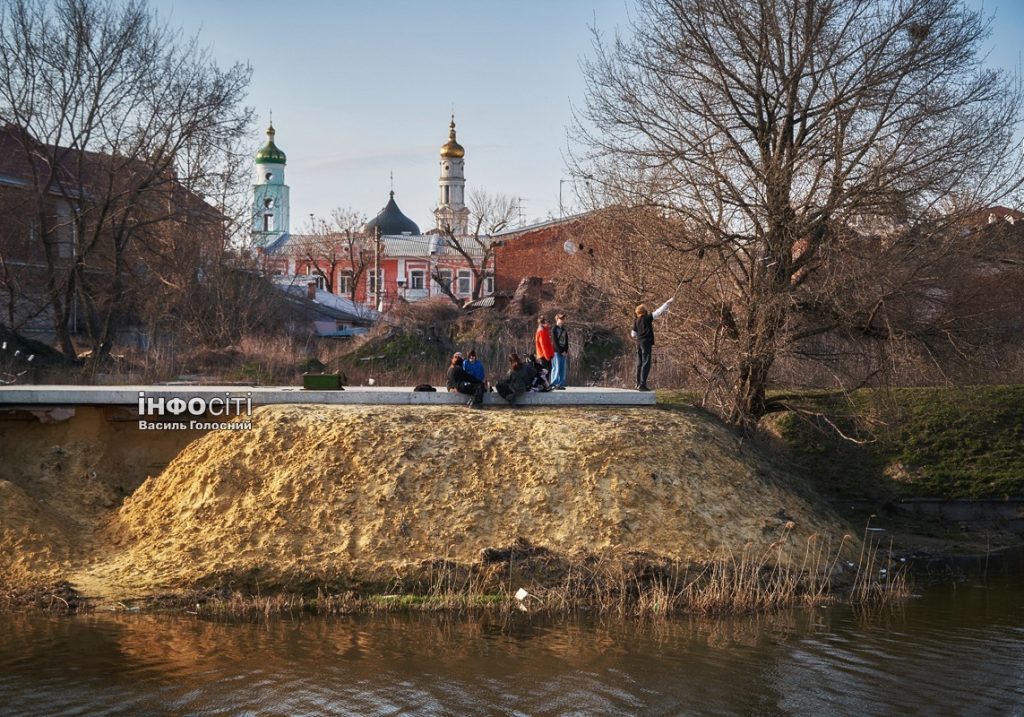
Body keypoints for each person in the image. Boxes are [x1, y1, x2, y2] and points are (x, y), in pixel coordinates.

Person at [631, 298, 673, 391]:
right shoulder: (647, 318)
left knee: (639, 363)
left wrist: (640, 333)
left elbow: (633, 334)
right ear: (644, 311)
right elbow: (658, 312)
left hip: (638, 343)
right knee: (646, 362)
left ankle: (637, 383)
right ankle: (642, 384)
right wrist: (667, 303)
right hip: (646, 343)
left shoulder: (636, 320)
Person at [550, 313, 569, 389]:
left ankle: (560, 384)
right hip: (556, 351)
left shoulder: (564, 329)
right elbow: (555, 342)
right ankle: (554, 383)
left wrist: (566, 350)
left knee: (562, 368)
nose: (562, 320)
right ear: (557, 319)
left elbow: (566, 341)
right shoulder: (554, 329)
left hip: (563, 352)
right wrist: (561, 351)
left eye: (563, 319)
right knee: (556, 367)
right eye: (561, 319)